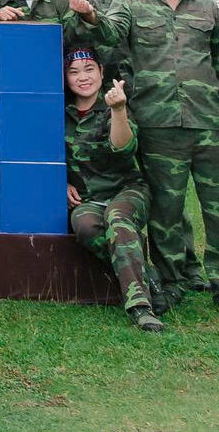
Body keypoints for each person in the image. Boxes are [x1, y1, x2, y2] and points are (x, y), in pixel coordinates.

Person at [68, 0, 219, 314]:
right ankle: (173, 280)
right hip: (157, 121)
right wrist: (89, 12)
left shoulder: (206, 7)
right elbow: (112, 29)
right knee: (166, 209)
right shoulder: (130, 2)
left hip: (207, 121)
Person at [64, 48, 165, 331]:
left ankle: (140, 306)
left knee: (117, 218)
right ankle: (149, 275)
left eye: (89, 69)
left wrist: (118, 109)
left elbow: (123, 148)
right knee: (84, 226)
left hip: (127, 190)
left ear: (101, 72)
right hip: (88, 198)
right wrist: (60, 183)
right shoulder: (59, 111)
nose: (83, 77)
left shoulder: (114, 104)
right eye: (74, 72)